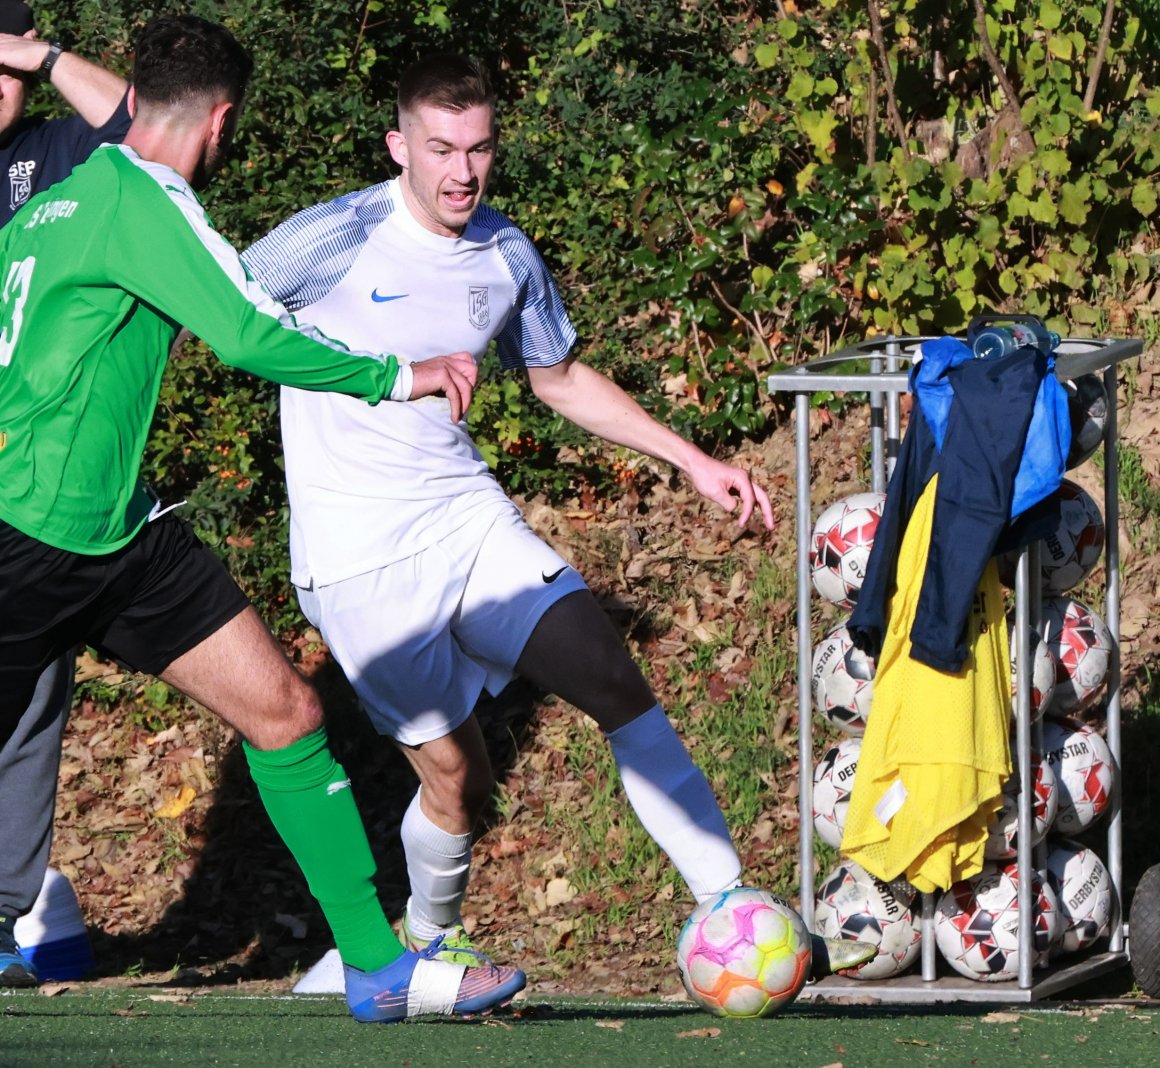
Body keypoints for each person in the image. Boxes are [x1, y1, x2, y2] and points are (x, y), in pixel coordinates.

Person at [243, 53, 872, 979]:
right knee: (459, 779)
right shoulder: (334, 237)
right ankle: (424, 939)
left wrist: (693, 461)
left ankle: (726, 897)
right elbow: (216, 304)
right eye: (441, 149)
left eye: (480, 148)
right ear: (399, 147)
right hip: (356, 555)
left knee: (609, 677)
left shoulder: (504, 253)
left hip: (466, 519)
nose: (462, 171)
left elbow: (560, 378)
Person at [0, 16, 524, 1022]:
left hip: (113, 535)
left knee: (284, 713)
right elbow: (246, 328)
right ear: (224, 118)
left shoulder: (53, 205)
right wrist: (397, 374)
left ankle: (377, 968)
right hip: (31, 535)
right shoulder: (142, 196)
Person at [0, 0, 131, 989]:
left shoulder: (53, 152)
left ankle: (16, 906)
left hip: (31, 481)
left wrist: (41, 60)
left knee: (30, 692)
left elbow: (146, 131)